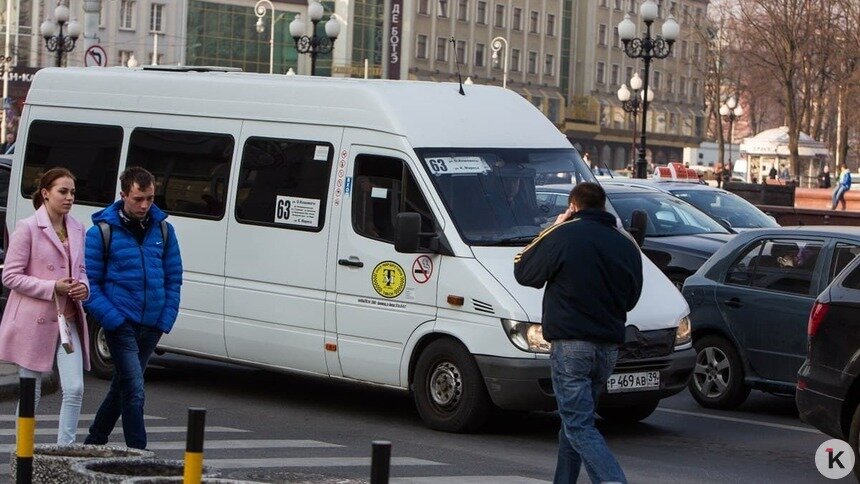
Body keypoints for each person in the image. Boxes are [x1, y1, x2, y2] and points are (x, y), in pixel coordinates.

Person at [513, 182, 643, 484]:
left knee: (579, 425)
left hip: (571, 344)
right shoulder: (625, 243)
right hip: (608, 347)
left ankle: (614, 481)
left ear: (573, 206)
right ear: (603, 206)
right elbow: (633, 296)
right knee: (574, 424)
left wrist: (552, 228)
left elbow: (523, 270)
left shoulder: (564, 235)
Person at [83, 166, 182, 449]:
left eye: (150, 198)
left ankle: (94, 441)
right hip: (121, 323)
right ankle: (138, 453)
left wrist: (165, 318)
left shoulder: (163, 229)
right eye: (138, 198)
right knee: (135, 390)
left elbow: (173, 277)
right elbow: (90, 284)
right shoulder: (101, 232)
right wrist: (113, 320)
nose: (145, 205)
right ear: (123, 194)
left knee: (123, 386)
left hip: (151, 325)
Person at [0, 168, 90, 445]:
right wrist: (53, 287)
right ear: (45, 193)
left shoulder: (77, 228)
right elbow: (10, 276)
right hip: (33, 320)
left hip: (68, 319)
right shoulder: (28, 228)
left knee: (74, 387)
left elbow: (82, 269)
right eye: (63, 191)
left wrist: (83, 287)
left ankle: (65, 450)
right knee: (31, 389)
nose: (69, 197)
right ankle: (23, 451)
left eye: (73, 192)